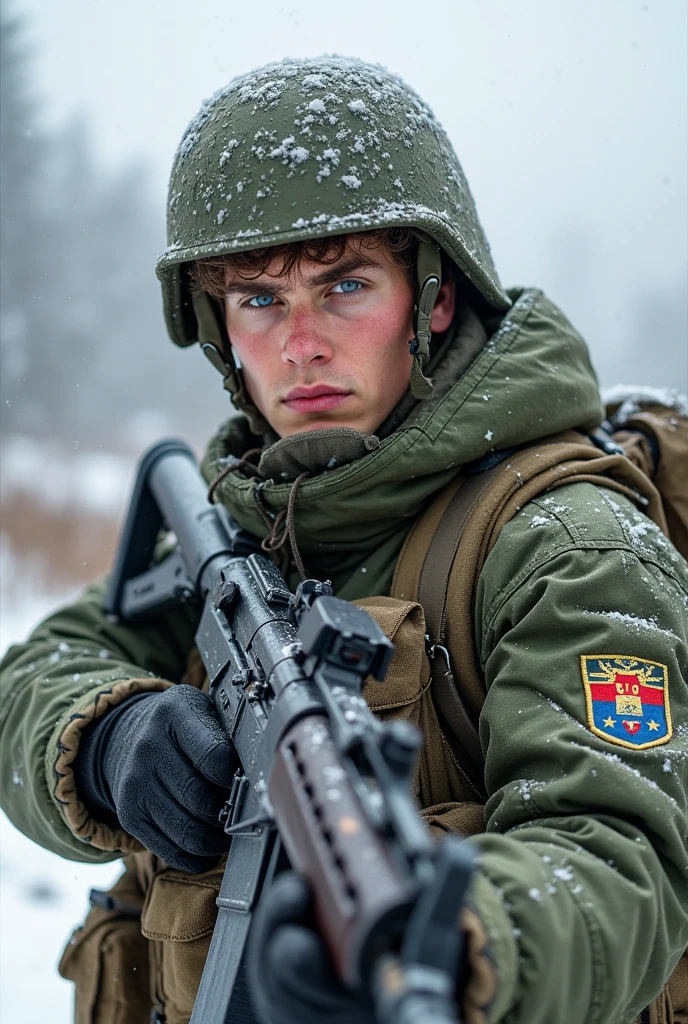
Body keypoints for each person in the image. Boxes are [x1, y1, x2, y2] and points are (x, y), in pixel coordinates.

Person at [1, 55, 687, 1024]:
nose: (301, 343)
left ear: (436, 297)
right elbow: (40, 671)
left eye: (345, 286)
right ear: (217, 329)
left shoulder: (567, 543)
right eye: (258, 299)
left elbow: (621, 855)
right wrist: (109, 736)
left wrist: (458, 943)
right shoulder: (247, 519)